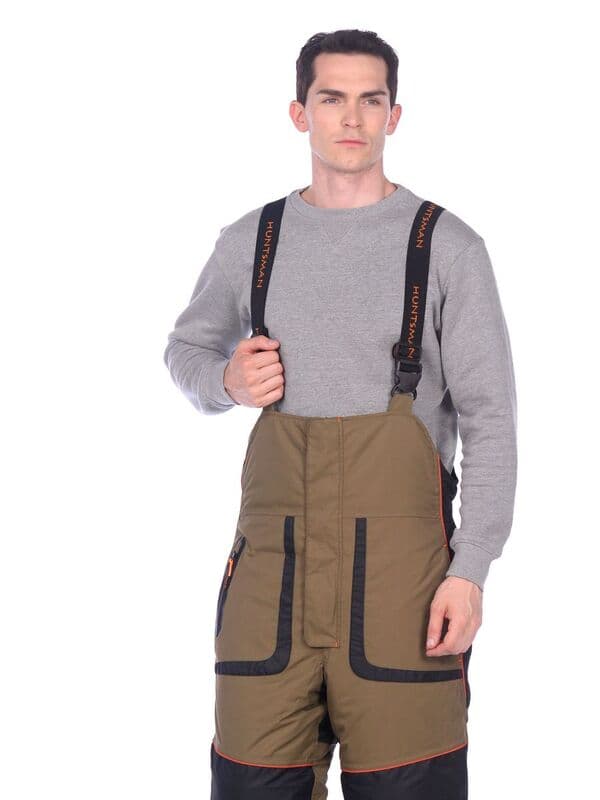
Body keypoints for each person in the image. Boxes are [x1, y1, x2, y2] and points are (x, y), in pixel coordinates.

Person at [163, 28, 517, 800]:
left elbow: (491, 419)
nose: (351, 118)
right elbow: (184, 352)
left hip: (404, 591)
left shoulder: (447, 247)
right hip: (270, 586)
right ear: (300, 113)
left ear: (394, 115)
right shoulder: (251, 241)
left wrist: (470, 572)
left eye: (370, 100)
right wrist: (225, 380)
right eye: (332, 99)